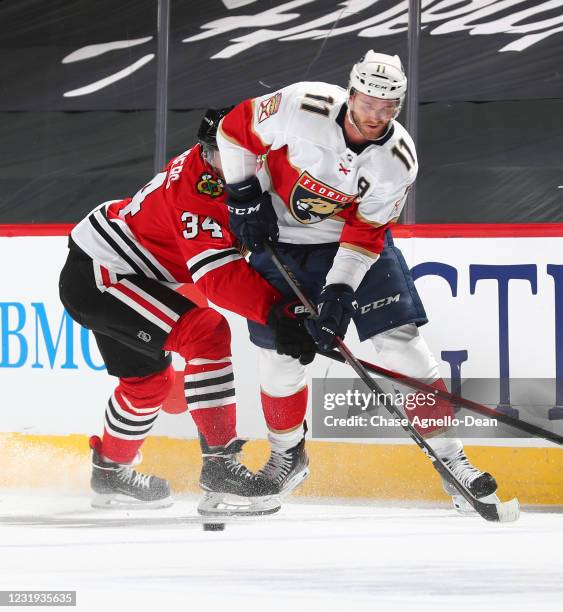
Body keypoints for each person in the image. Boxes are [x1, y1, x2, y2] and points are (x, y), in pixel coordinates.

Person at [216, 51, 500, 513]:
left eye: (387, 107)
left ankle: (454, 463)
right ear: (350, 95)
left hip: (351, 246)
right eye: (368, 103)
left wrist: (340, 291)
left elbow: (365, 233)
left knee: (404, 347)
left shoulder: (398, 160)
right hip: (283, 242)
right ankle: (287, 458)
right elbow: (234, 128)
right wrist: (244, 195)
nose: (375, 115)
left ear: (398, 107)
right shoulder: (301, 105)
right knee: (282, 358)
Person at [58, 107, 314, 516]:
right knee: (207, 332)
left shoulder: (261, 163)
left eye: (235, 149)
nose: (225, 161)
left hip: (133, 272)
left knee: (147, 385)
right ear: (205, 150)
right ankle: (220, 467)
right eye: (216, 151)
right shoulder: (198, 191)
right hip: (105, 274)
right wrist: (278, 313)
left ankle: (109, 469)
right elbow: (218, 278)